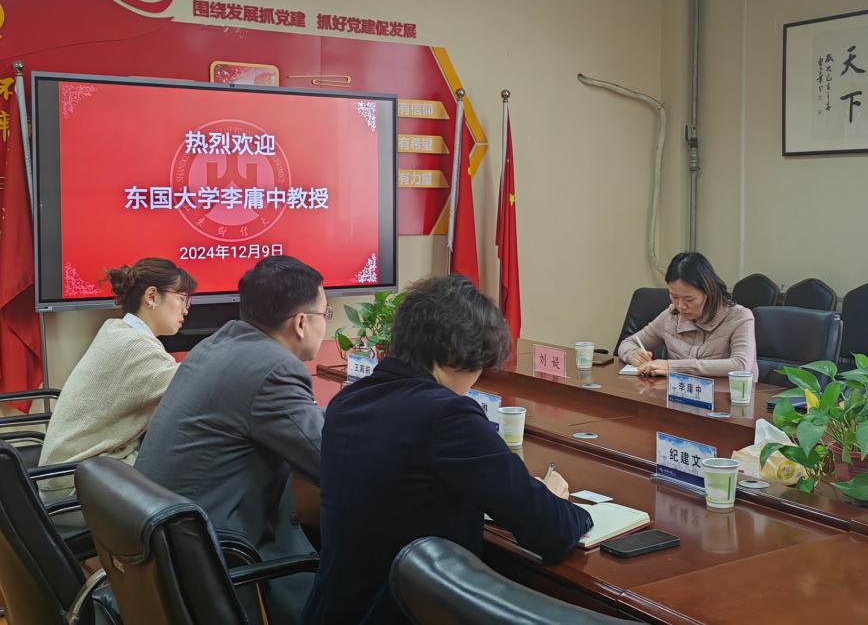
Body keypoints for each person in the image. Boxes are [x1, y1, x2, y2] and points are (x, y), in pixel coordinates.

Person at [303, 275, 593, 625]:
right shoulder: (447, 415)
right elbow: (551, 532)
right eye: (480, 365)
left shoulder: (349, 400)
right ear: (454, 354)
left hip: (335, 610)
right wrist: (557, 501)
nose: (477, 378)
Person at [135, 256, 328, 625]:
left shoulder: (219, 342)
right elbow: (329, 461)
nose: (326, 322)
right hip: (218, 556)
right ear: (302, 323)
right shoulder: (275, 369)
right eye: (325, 313)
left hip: (166, 545)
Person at [37, 258, 195, 500]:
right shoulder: (136, 347)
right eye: (182, 298)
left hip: (71, 476)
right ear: (152, 296)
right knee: (194, 469)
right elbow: (196, 385)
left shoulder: (118, 330)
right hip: (76, 488)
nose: (186, 310)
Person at [617, 252, 758, 379]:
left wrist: (673, 367)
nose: (680, 306)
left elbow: (740, 365)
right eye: (674, 297)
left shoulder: (739, 317)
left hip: (728, 396)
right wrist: (633, 354)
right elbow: (627, 343)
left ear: (708, 292)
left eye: (689, 299)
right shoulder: (671, 316)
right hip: (680, 395)